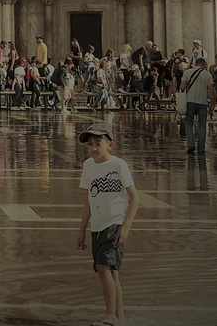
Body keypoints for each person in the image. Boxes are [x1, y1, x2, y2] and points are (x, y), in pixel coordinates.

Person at [76, 121, 138, 326]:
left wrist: (126, 226)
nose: (93, 148)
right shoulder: (88, 166)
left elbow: (134, 197)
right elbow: (87, 201)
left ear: (110, 144)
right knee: (112, 273)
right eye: (90, 144)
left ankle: (110, 317)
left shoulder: (118, 164)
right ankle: (120, 318)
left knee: (103, 267)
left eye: (98, 143)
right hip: (98, 225)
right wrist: (82, 230)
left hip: (115, 224)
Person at [179, 56, 216, 154]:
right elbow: (211, 91)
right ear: (204, 65)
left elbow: (182, 87)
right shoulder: (207, 75)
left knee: (189, 123)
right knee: (202, 125)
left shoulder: (187, 72)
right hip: (203, 102)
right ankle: (201, 148)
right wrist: (212, 105)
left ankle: (191, 144)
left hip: (190, 101)